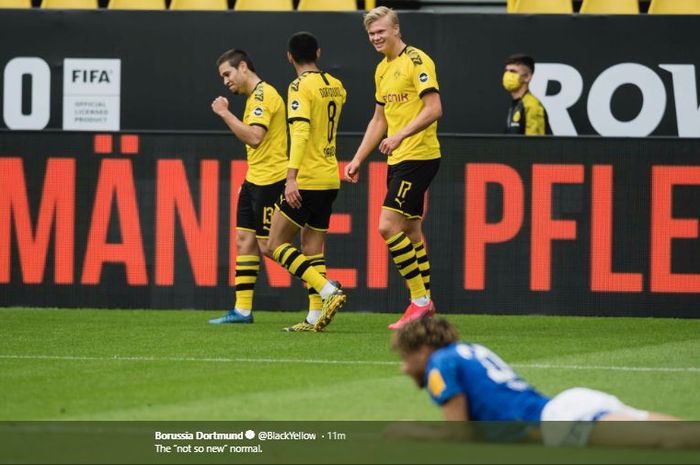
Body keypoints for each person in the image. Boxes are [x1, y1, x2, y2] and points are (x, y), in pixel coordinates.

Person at [391, 317, 700, 448]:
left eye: (407, 357)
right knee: (675, 431)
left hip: (560, 421)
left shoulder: (439, 364)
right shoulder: (466, 350)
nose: (405, 368)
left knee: (667, 441)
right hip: (570, 407)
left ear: (425, 350)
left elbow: (458, 435)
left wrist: (413, 431)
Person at [344, 7, 442, 330]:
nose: (376, 38)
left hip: (419, 155)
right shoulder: (382, 70)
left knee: (387, 226)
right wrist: (358, 157)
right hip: (399, 158)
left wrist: (400, 135)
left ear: (397, 29)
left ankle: (419, 302)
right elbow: (379, 119)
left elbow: (434, 108)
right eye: (371, 34)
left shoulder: (418, 61)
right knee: (412, 231)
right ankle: (426, 301)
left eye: (381, 31)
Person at [263, 32, 347, 333]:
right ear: (319, 53)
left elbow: (299, 133)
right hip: (329, 175)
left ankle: (327, 291)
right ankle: (314, 316)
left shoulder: (299, 87)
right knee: (312, 248)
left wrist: (291, 177)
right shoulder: (336, 86)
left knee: (273, 245)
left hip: (308, 177)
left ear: (289, 57)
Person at [208, 49, 288, 325]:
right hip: (255, 179)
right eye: (223, 77)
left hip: (271, 181)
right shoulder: (255, 97)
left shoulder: (264, 96)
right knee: (244, 242)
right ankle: (242, 310)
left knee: (268, 245)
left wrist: (224, 113)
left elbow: (255, 138)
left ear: (243, 67)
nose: (226, 82)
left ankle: (324, 286)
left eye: (227, 74)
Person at [503, 54, 551, 136]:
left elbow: (535, 145)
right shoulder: (517, 104)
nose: (507, 75)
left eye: (513, 71)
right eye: (506, 71)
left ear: (527, 77)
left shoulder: (532, 106)